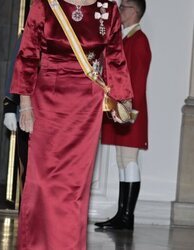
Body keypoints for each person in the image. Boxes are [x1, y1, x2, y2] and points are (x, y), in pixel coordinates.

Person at [10, 0, 133, 249]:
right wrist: (25, 105)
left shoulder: (108, 10)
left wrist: (124, 101)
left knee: (73, 187)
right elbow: (28, 55)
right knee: (42, 182)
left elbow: (115, 58)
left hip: (85, 108)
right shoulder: (44, 5)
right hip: (46, 102)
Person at [95, 0, 151, 230]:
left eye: (123, 6)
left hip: (129, 111)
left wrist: (126, 111)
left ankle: (127, 216)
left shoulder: (139, 41)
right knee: (121, 161)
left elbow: (136, 81)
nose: (118, 10)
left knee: (128, 160)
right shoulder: (125, 39)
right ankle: (122, 215)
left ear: (134, 12)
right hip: (122, 109)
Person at [3, 32, 29, 196]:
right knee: (28, 168)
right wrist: (10, 107)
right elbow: (16, 69)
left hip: (60, 114)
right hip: (29, 113)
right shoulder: (29, 34)